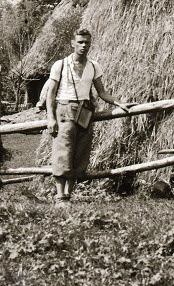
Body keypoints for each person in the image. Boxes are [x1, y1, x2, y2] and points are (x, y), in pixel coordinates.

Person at [46, 28, 130, 201]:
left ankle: (68, 194)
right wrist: (51, 118)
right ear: (73, 43)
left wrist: (119, 102)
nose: (84, 45)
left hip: (85, 111)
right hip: (65, 108)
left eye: (87, 42)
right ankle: (60, 196)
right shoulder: (61, 65)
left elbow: (102, 92)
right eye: (80, 42)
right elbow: (51, 93)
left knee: (80, 151)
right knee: (63, 150)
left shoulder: (93, 66)